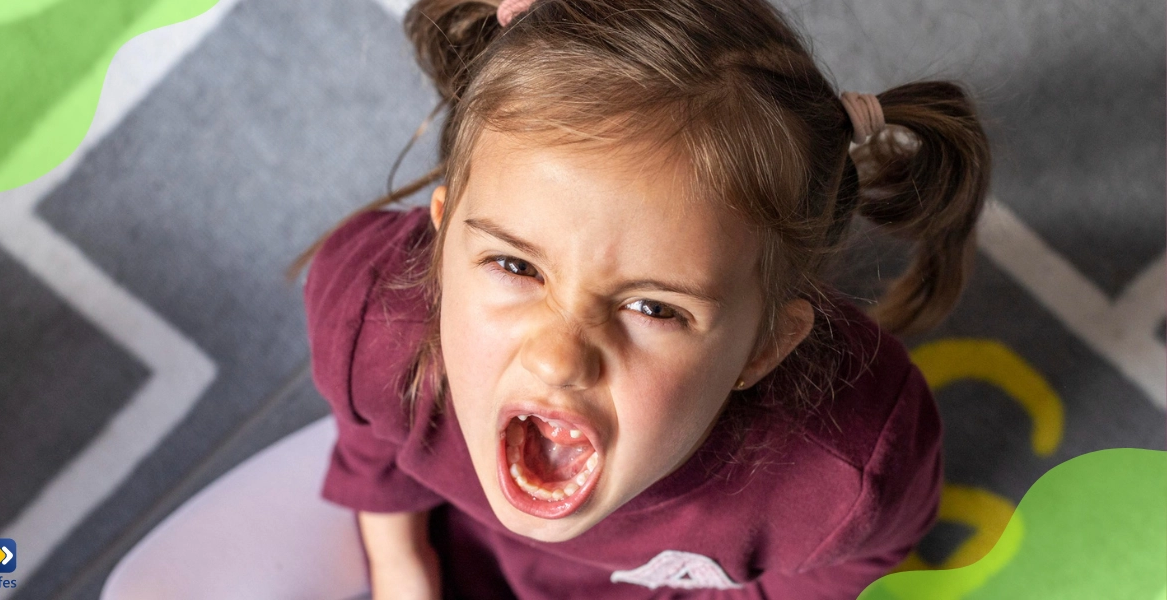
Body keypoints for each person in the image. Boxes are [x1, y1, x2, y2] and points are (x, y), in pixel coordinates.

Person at [302, 0, 991, 598]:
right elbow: (369, 438)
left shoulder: (841, 471)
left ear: (764, 346)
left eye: (653, 308)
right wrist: (401, 563)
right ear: (446, 235)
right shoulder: (371, 319)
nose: (559, 359)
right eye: (515, 265)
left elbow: (857, 560)